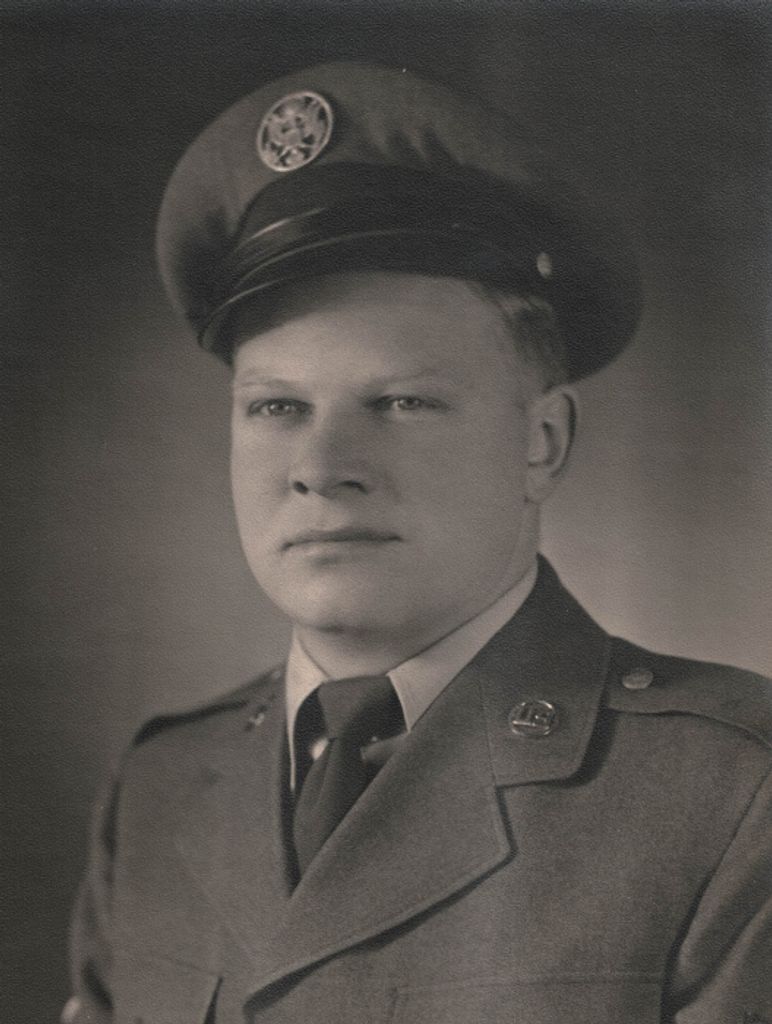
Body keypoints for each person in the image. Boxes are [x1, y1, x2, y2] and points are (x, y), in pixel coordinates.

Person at [63, 62, 772, 1024]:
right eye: (277, 407)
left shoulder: (730, 794)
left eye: (401, 402)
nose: (322, 469)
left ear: (542, 442)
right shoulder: (160, 788)